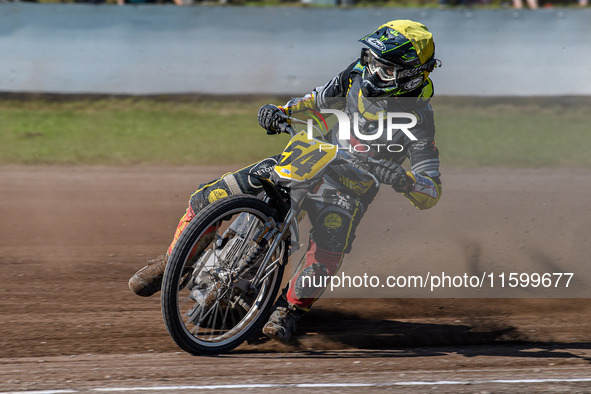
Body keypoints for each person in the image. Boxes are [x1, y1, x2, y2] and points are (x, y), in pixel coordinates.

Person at [129, 19, 442, 343]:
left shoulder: (419, 122)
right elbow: (317, 100)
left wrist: (404, 179)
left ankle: (289, 310)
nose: (373, 73)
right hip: (311, 155)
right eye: (371, 61)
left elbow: (431, 190)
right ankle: (171, 262)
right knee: (210, 196)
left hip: (351, 186)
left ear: (410, 76)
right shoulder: (355, 75)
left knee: (329, 246)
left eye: (385, 69)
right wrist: (282, 111)